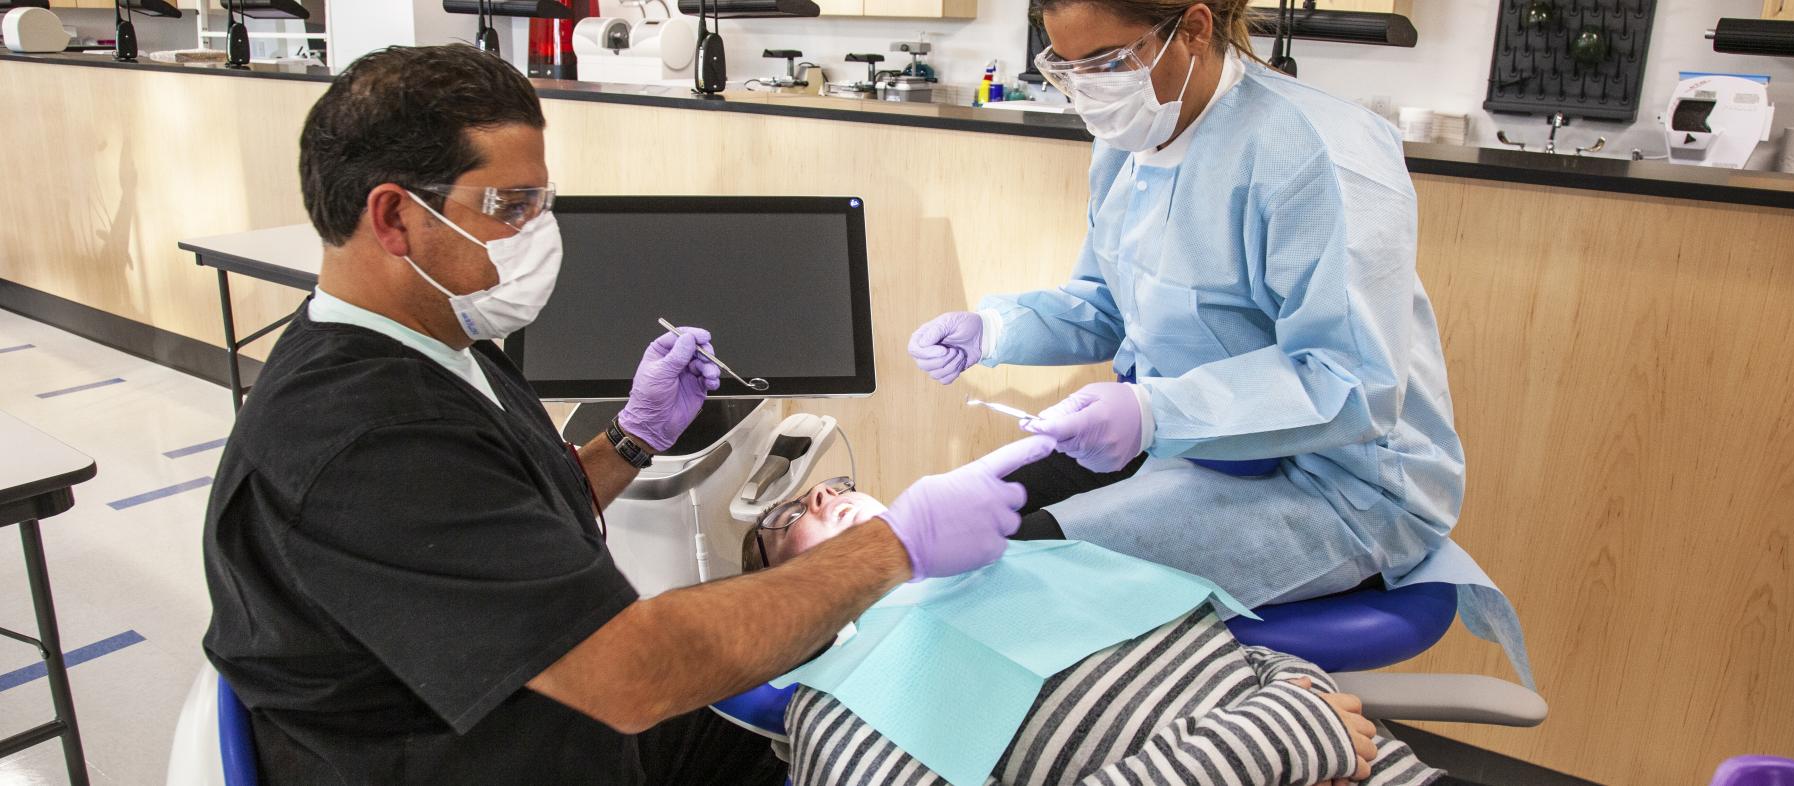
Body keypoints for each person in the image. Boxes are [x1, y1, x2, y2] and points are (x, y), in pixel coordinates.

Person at [201, 44, 1055, 784]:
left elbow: (506, 516)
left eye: (543, 198)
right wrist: (890, 546)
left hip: (542, 718)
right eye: (512, 206)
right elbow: (634, 674)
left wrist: (632, 441)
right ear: (393, 216)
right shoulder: (366, 442)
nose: (542, 229)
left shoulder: (434, 339)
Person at [906, 0, 1527, 678]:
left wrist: (1154, 413)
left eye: (1109, 62)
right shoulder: (1132, 138)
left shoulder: (1317, 154)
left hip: (1337, 485)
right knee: (961, 539)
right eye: (1069, 68)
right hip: (1191, 445)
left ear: (1194, 29)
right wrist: (994, 329)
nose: (1091, 91)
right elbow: (1113, 305)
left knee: (1015, 577)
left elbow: (1352, 382)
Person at [748, 479, 1444, 786]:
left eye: (837, 485)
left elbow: (1235, 656)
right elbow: (1264, 731)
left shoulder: (1037, 559)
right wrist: (1265, 744)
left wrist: (1306, 706)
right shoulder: (844, 704)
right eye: (786, 518)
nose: (823, 495)